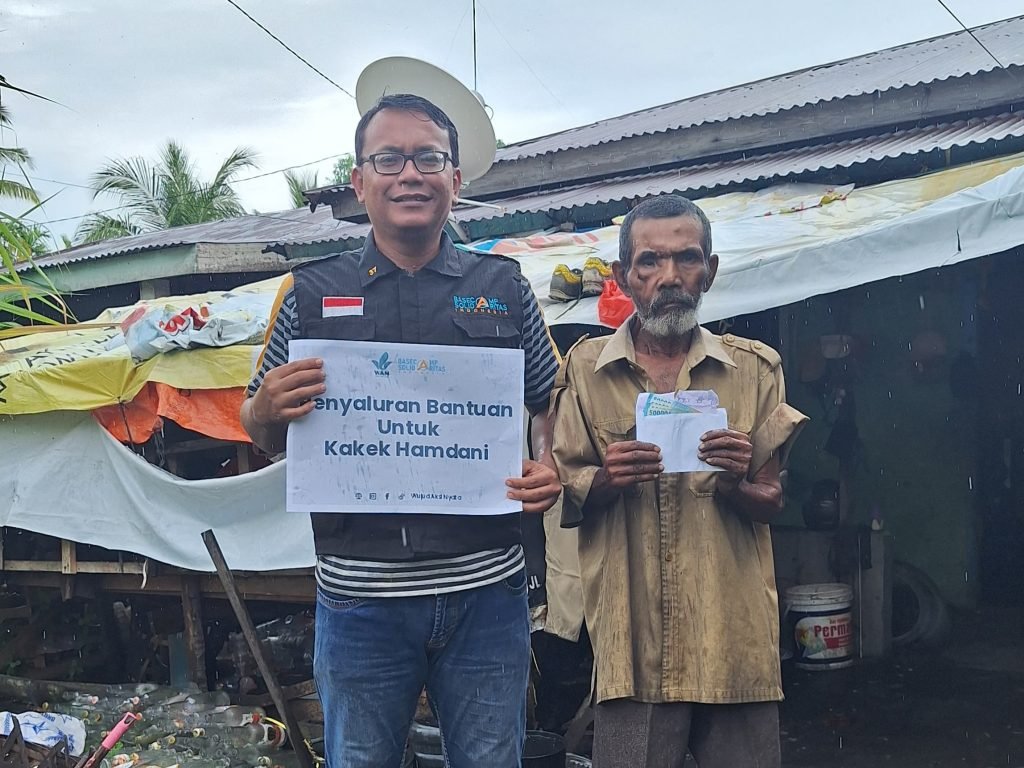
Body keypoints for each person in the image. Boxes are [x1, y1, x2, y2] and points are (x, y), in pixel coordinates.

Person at [241, 93, 562, 768]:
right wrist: (266, 406)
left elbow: (546, 398)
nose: (409, 174)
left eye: (428, 159)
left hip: (487, 596)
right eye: (389, 159)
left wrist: (548, 461)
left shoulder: (504, 287)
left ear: (455, 180)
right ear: (359, 182)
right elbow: (259, 430)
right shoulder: (306, 294)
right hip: (361, 602)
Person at [550, 195, 807, 768]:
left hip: (733, 640)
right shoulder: (584, 371)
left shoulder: (755, 368)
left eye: (686, 258)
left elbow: (772, 499)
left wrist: (735, 482)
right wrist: (608, 479)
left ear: (709, 271)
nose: (669, 276)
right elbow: (564, 490)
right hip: (632, 647)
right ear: (623, 275)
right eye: (650, 261)